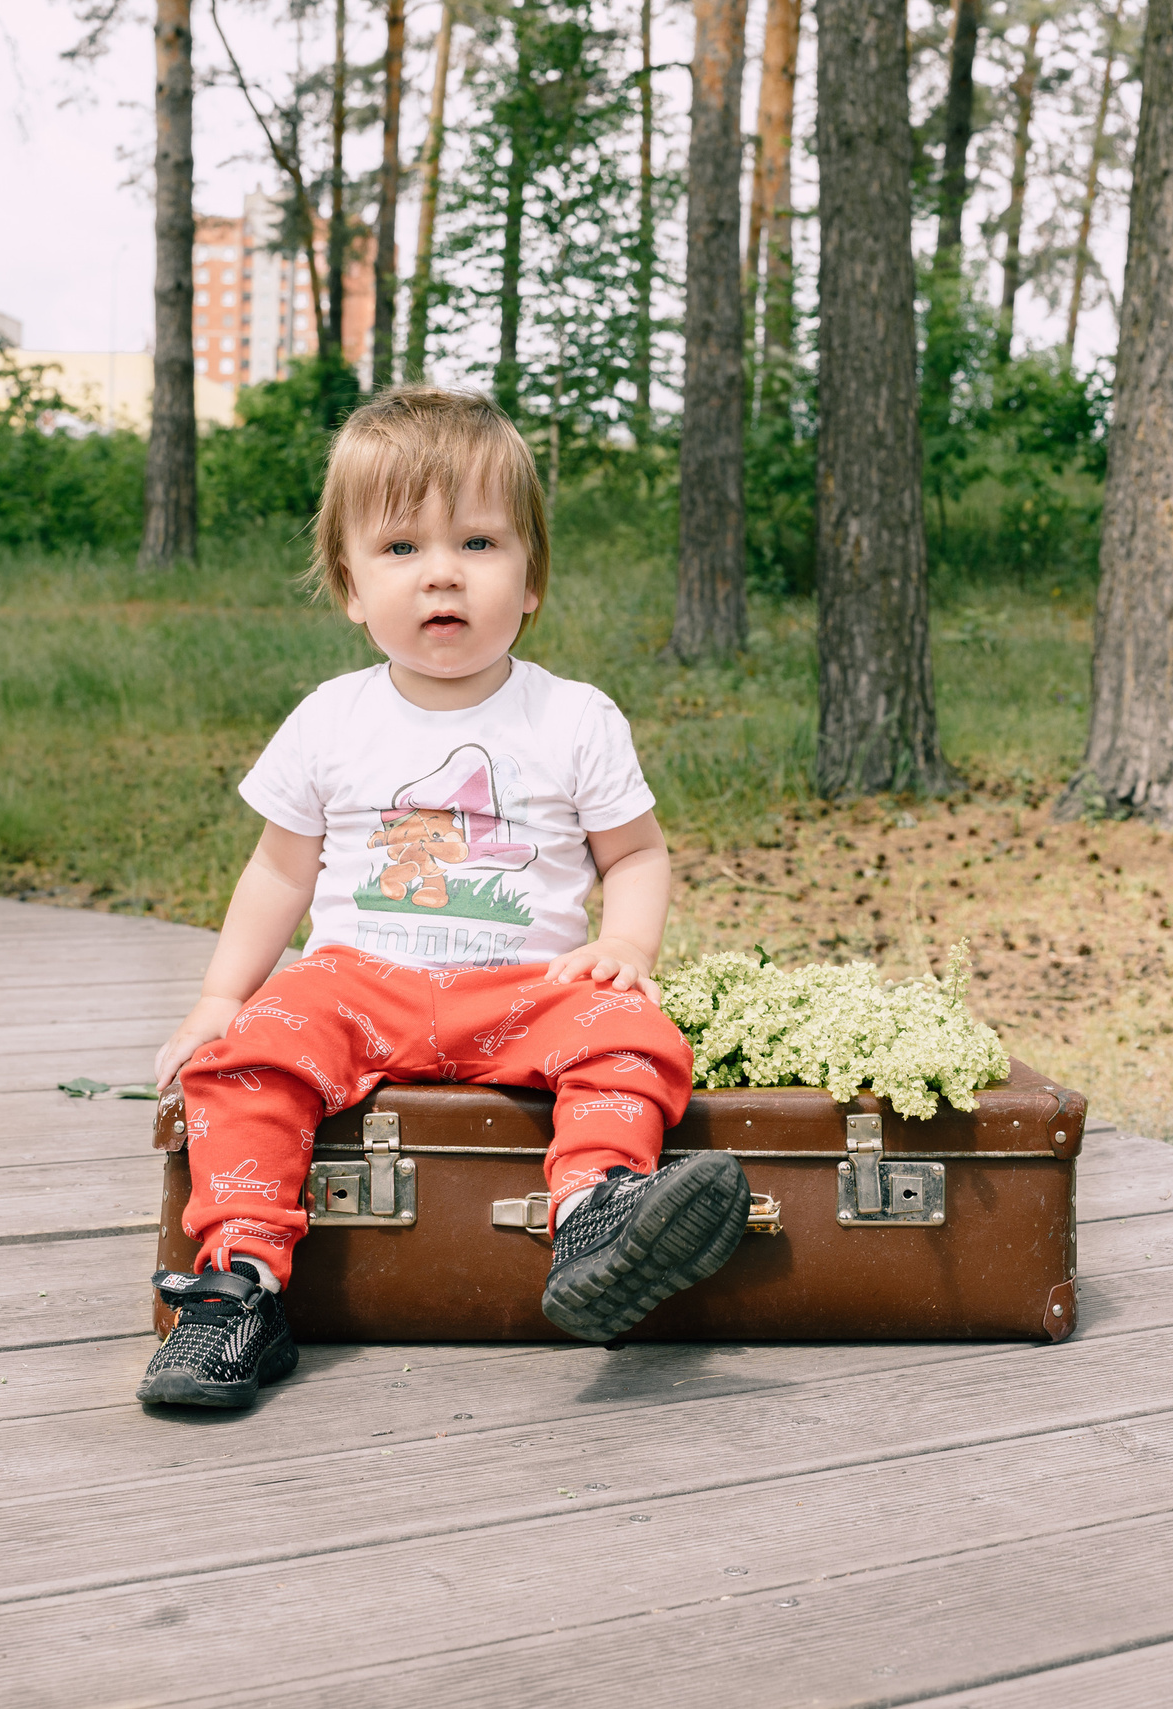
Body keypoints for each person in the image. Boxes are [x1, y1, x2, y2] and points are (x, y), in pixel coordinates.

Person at [136, 386, 749, 1409]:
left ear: (531, 576)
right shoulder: (333, 718)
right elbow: (280, 869)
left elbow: (635, 853)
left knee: (633, 1032)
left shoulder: (572, 717)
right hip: (355, 983)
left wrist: (626, 944)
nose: (442, 573)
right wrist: (216, 998)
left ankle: (598, 1206)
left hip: (521, 987)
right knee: (248, 1056)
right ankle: (237, 1283)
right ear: (348, 584)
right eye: (401, 548)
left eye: (477, 540)